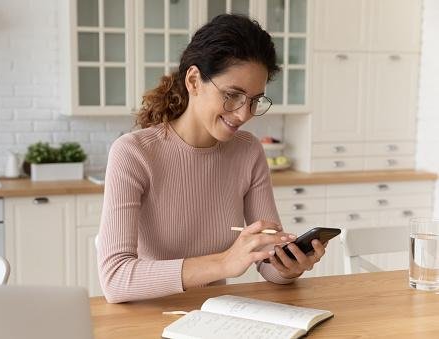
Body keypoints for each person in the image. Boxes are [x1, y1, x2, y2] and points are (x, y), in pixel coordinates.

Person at [96, 14, 327, 303]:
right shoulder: (133, 153)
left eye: (255, 100)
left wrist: (289, 267)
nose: (244, 114)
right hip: (148, 317)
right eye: (233, 95)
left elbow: (266, 263)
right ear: (194, 81)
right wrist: (224, 263)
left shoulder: (248, 151)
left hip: (219, 317)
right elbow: (115, 278)